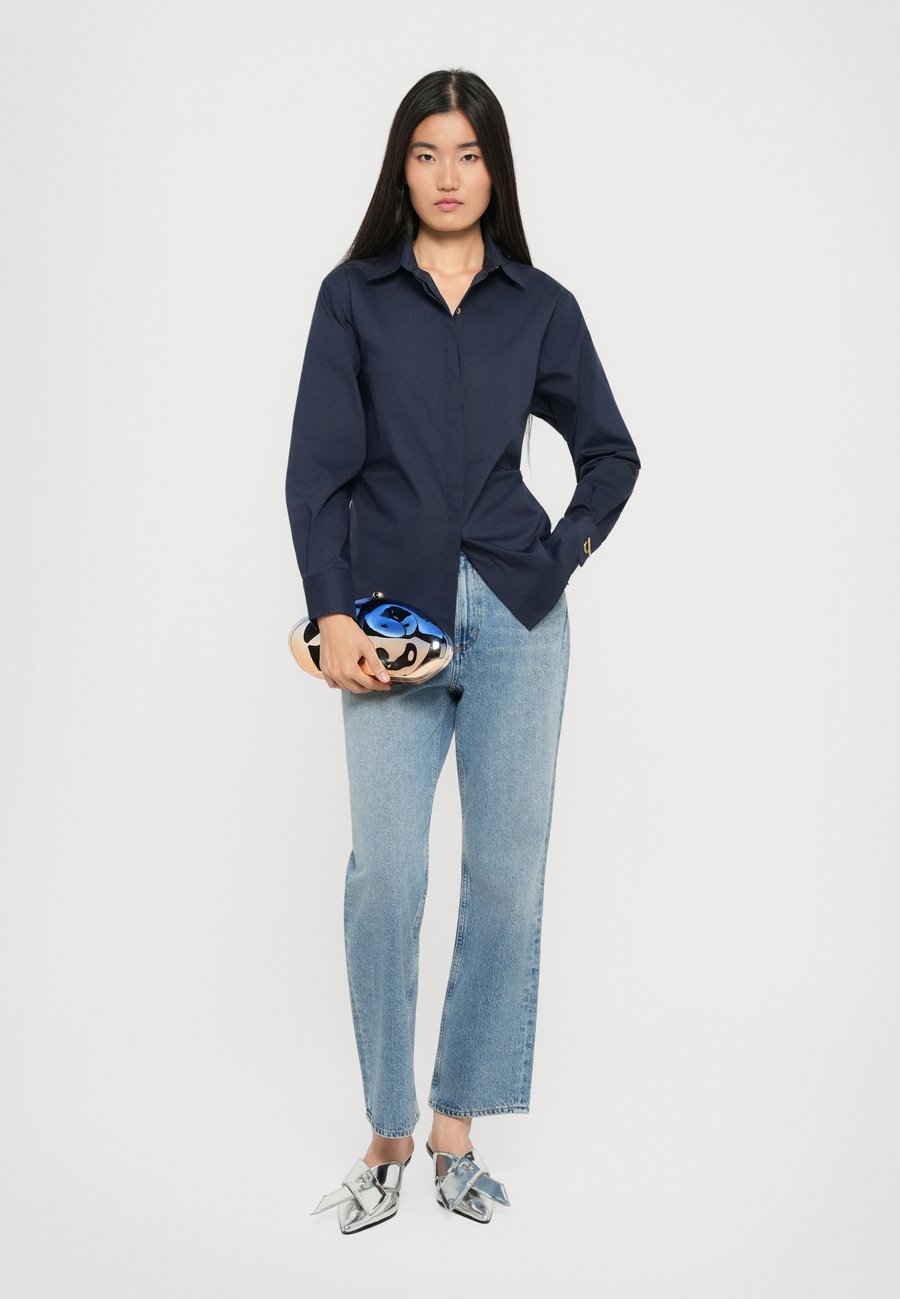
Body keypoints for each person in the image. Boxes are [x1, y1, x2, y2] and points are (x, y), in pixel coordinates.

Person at [286, 67, 641, 1232]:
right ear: (403, 165)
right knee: (386, 876)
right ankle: (387, 1130)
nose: (449, 175)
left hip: (519, 616)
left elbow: (610, 452)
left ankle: (454, 1135)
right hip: (390, 623)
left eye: (470, 153)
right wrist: (333, 612)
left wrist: (562, 551)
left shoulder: (540, 306)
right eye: (429, 152)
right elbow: (315, 471)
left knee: (505, 881)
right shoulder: (354, 298)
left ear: (497, 168)